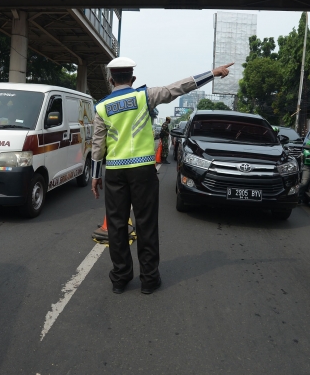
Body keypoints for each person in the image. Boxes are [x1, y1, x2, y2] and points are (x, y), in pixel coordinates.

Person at [91, 57, 233, 295]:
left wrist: (96, 176)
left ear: (110, 79)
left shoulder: (102, 107)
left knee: (116, 226)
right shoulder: (143, 96)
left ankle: (120, 277)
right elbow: (178, 87)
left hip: (115, 172)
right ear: (133, 78)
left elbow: (97, 146)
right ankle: (148, 279)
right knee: (145, 224)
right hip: (143, 171)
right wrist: (212, 73)